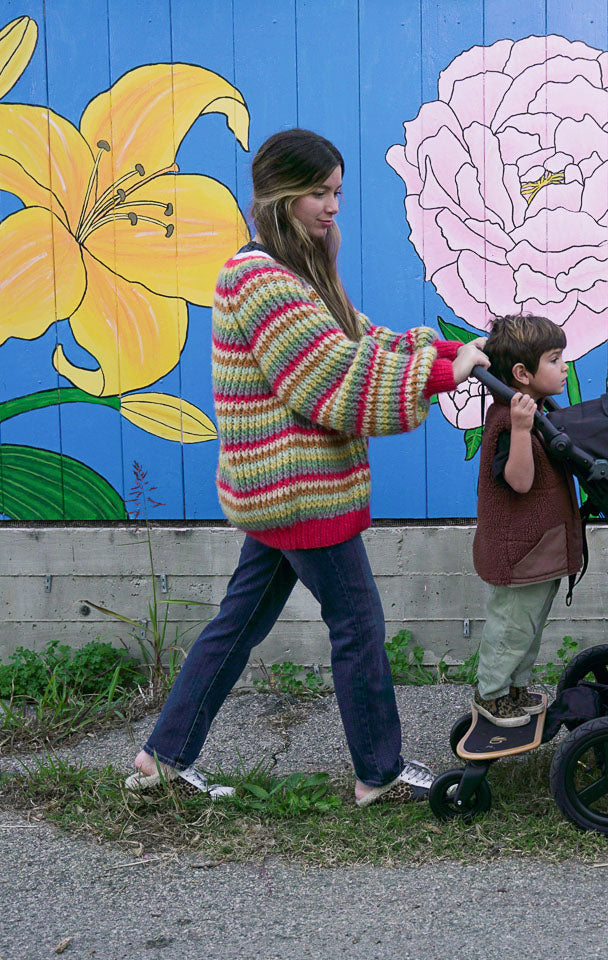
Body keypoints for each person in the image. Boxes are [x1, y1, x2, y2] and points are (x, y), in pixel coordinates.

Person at [124, 129, 488, 806]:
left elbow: (360, 337)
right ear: (281, 195)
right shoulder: (258, 277)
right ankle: (377, 774)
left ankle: (161, 759)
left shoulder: (295, 272)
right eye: (319, 193)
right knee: (359, 626)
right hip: (298, 493)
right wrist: (440, 376)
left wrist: (445, 353)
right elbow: (331, 375)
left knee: (239, 623)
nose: (331, 207)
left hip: (284, 489)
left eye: (337, 193)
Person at [471, 315, 582, 726]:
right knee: (511, 629)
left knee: (529, 629)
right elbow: (519, 481)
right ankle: (492, 693)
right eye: (555, 359)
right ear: (522, 374)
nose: (564, 366)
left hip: (539, 549)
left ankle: (515, 690)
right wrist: (520, 428)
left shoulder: (540, 408)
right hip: (519, 553)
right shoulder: (508, 420)